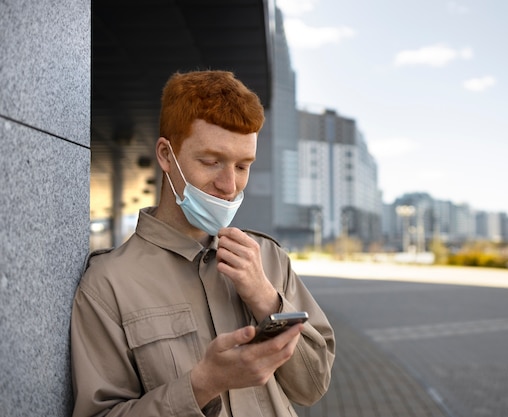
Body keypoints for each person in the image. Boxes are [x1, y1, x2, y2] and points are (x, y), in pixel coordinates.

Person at [71, 70, 335, 416]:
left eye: (243, 166)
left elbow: (312, 386)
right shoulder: (108, 284)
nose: (230, 185)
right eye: (211, 162)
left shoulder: (268, 259)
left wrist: (266, 298)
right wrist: (202, 385)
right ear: (166, 156)